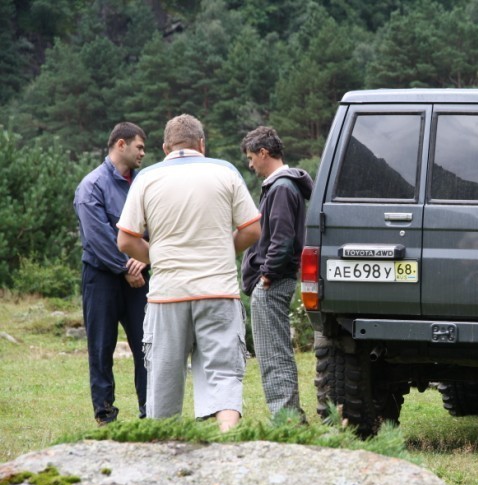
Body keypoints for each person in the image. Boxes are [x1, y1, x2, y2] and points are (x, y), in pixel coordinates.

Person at [117, 114, 261, 432]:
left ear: (165, 148)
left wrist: (158, 257)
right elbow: (252, 230)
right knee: (224, 375)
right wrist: (223, 251)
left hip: (167, 294)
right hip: (218, 291)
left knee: (163, 380)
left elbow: (125, 240)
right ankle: (228, 438)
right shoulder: (225, 172)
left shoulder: (147, 178)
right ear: (202, 144)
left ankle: (164, 447)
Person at [74, 122, 149, 425]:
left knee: (147, 345)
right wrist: (125, 266)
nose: (143, 153)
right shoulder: (91, 185)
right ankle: (105, 416)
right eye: (139, 147)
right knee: (101, 347)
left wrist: (144, 260)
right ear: (121, 144)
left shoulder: (144, 183)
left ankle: (151, 412)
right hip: (101, 278)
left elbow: (159, 225)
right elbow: (97, 236)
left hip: (140, 276)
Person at [240, 126, 313, 419]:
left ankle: (287, 419)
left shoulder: (281, 187)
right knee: (274, 351)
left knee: (273, 354)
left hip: (273, 282)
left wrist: (267, 275)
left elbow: (281, 238)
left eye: (251, 158)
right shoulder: (283, 185)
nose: (250, 165)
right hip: (275, 280)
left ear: (263, 153)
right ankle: (289, 415)